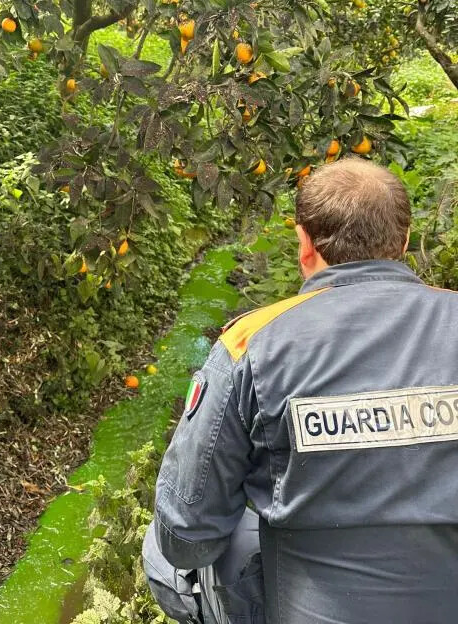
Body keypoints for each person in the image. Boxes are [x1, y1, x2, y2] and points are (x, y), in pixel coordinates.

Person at [143, 157, 458, 624]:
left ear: (304, 243)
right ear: (405, 240)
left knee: (163, 548)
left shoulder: (251, 342)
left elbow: (187, 535)